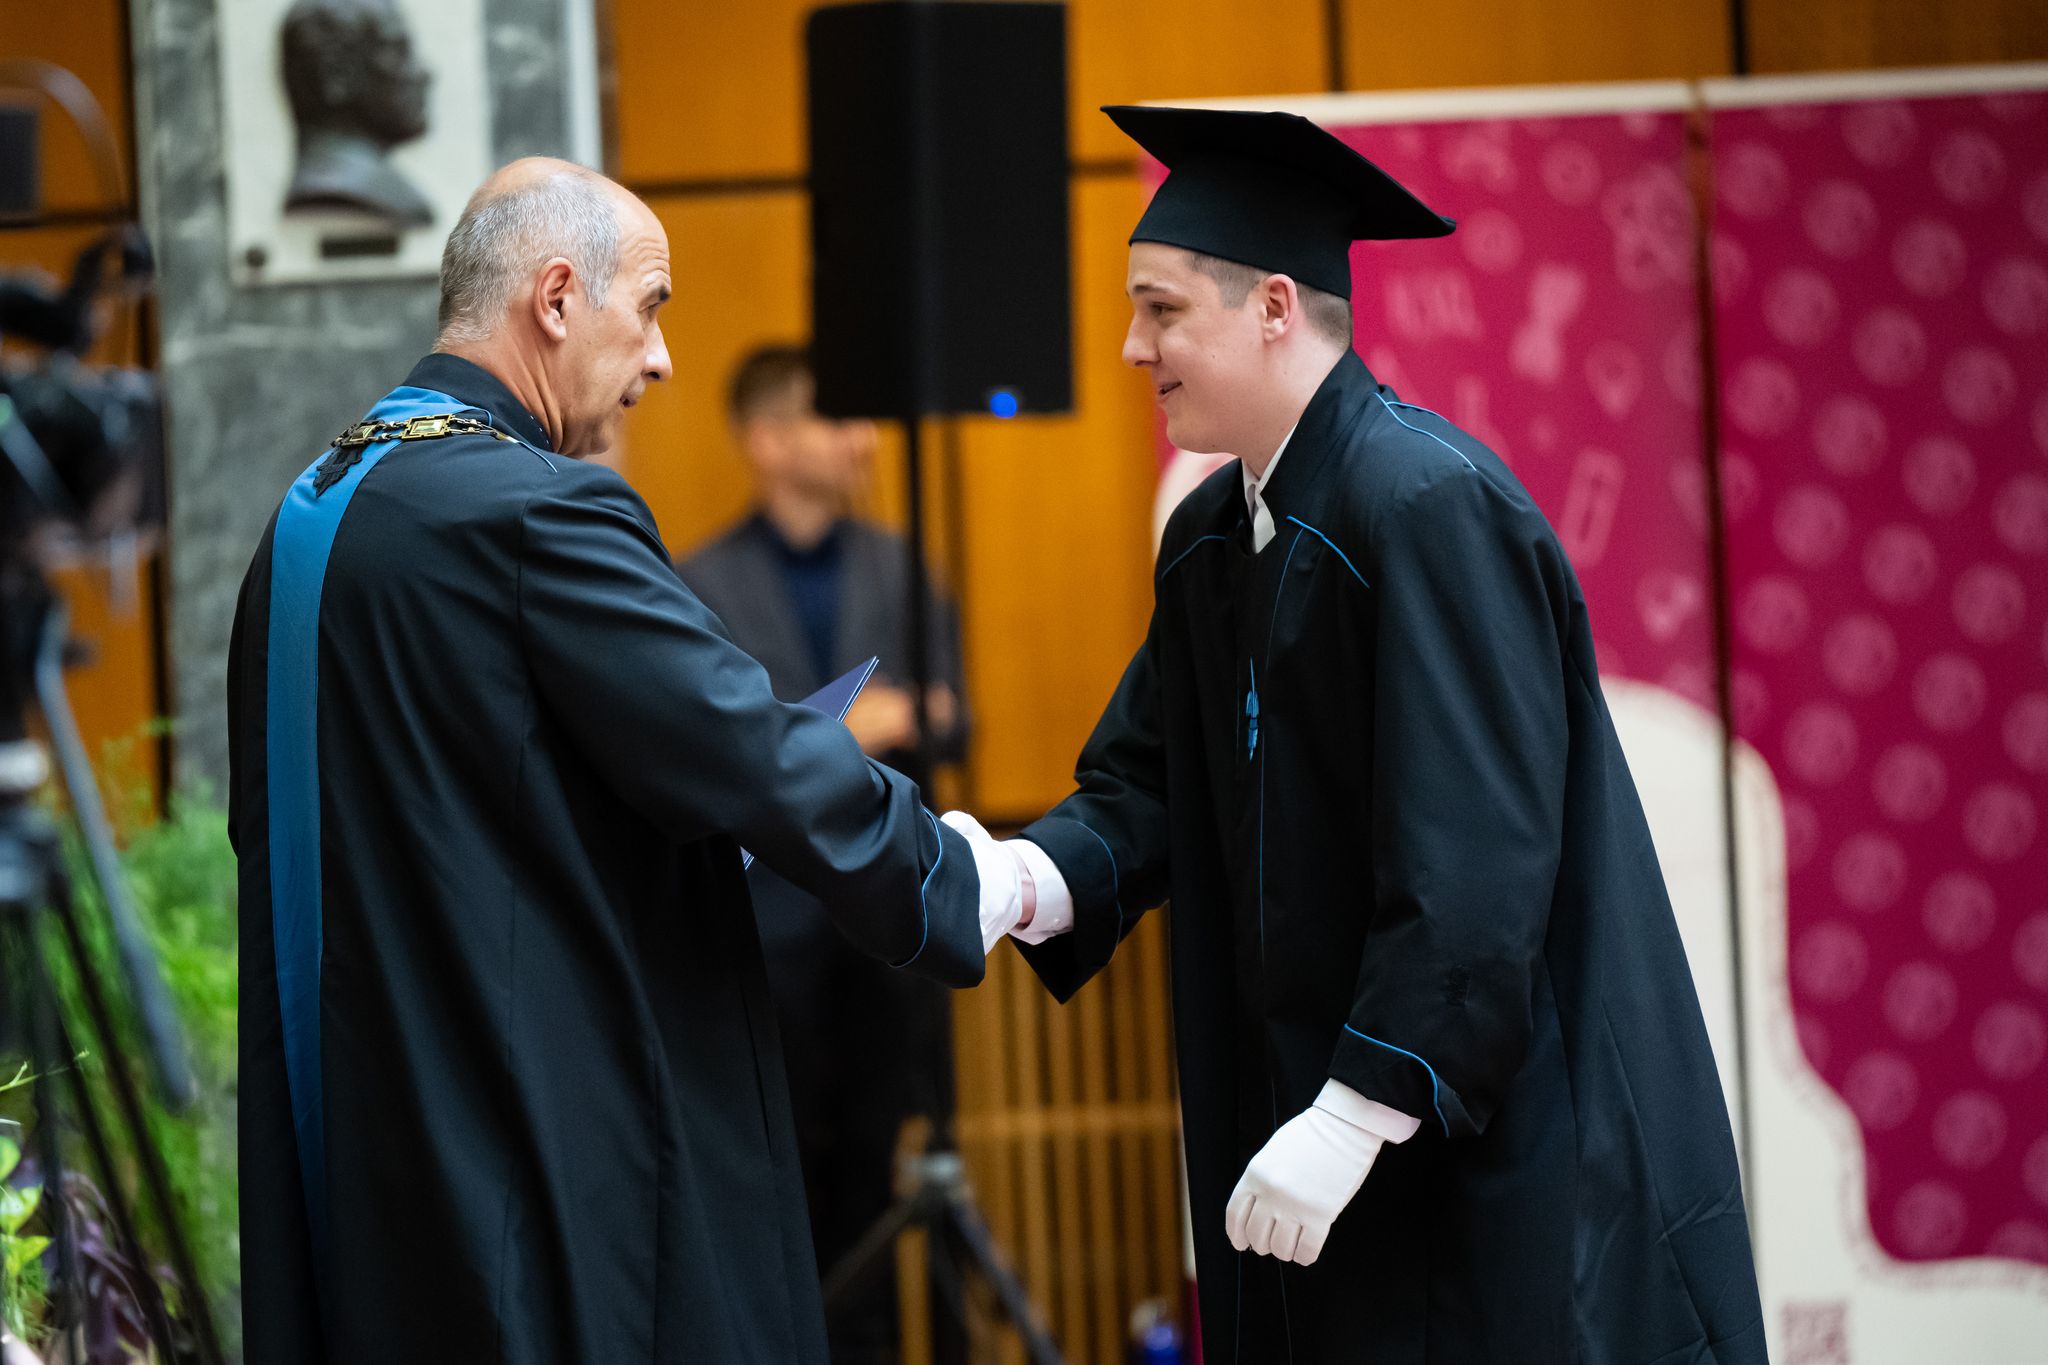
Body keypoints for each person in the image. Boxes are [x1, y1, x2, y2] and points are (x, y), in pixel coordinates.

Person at [976, 108, 1766, 1362]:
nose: (1131, 346)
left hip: (1471, 1147)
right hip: (1300, 1130)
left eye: (1159, 309)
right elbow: (1150, 782)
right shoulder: (1210, 540)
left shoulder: (1424, 505)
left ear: (1272, 307)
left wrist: (1355, 1110)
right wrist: (1016, 879)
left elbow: (1479, 862)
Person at [226, 159, 1022, 1364]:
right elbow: (744, 749)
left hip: (366, 1133)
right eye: (648, 308)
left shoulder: (316, 508)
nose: (661, 360)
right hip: (526, 1143)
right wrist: (960, 877)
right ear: (556, 298)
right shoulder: (532, 511)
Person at [677, 346, 966, 1365]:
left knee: (882, 1165)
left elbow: (954, 713)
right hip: (766, 931)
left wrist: (904, 716)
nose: (864, 439)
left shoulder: (900, 560)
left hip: (886, 920)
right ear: (767, 440)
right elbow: (706, 748)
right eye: (835, 418)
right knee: (777, 1167)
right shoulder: (696, 582)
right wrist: (842, 728)